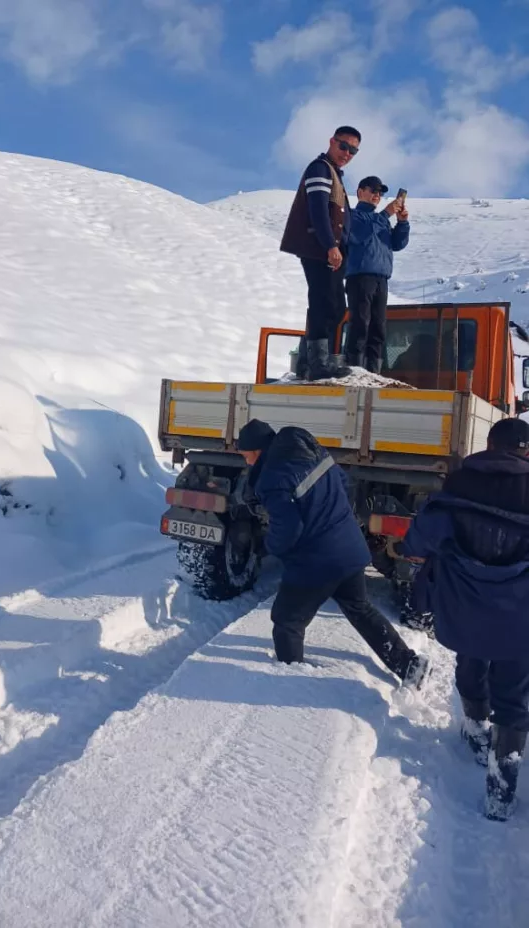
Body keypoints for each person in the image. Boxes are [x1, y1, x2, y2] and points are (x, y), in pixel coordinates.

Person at [236, 418, 430, 686]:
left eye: (246, 456)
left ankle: (288, 683)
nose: (247, 462)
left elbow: (288, 526)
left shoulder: (271, 477)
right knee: (361, 609)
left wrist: (270, 547)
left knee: (287, 620)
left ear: (257, 450)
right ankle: (409, 665)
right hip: (349, 548)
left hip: (316, 560)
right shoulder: (311, 453)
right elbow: (344, 483)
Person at [403, 417, 529, 821]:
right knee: (514, 695)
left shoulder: (457, 484)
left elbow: (418, 541)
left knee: (471, 659)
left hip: (464, 609)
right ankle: (501, 792)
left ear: (489, 444)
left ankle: (476, 732)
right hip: (520, 617)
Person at [280, 127, 361, 382]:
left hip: (331, 251)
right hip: (320, 250)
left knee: (333, 306)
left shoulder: (333, 172)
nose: (347, 153)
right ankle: (318, 364)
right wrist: (330, 245)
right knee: (324, 304)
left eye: (353, 150)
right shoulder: (320, 169)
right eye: (343, 146)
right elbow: (318, 210)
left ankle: (308, 361)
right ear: (332, 142)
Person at [344, 177, 410, 373]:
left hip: (381, 279)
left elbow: (397, 244)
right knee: (360, 323)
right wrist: (386, 214)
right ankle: (355, 369)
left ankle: (374, 371)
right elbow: (358, 234)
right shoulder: (352, 215)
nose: (377, 195)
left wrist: (402, 223)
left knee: (378, 327)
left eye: (380, 192)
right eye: (373, 190)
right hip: (360, 277)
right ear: (360, 192)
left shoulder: (380, 220)